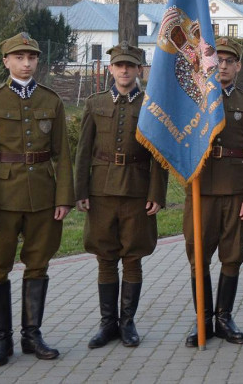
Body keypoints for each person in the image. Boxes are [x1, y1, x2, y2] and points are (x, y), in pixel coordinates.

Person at [0, 32, 75, 365]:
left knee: (38, 264)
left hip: (43, 197)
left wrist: (64, 198)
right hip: (2, 200)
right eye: (19, 58)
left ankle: (32, 334)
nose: (26, 63)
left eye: (31, 57)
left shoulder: (51, 101)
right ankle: (3, 340)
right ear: (6, 62)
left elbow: (62, 155)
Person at [74, 42, 167, 349]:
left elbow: (158, 154)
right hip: (101, 190)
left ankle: (127, 323)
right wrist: (81, 191)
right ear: (111, 69)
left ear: (139, 69)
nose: (125, 70)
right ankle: (107, 324)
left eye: (130, 65)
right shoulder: (95, 102)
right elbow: (83, 150)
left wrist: (156, 193)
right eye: (119, 65)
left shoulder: (152, 105)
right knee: (105, 255)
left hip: (137, 190)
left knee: (133, 255)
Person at [181, 37, 243, 347]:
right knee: (198, 257)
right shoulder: (195, 98)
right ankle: (202, 319)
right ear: (209, 64)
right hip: (200, 189)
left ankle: (223, 317)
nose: (225, 66)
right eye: (219, 61)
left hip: (235, 190)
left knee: (232, 256)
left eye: (230, 61)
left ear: (239, 66)